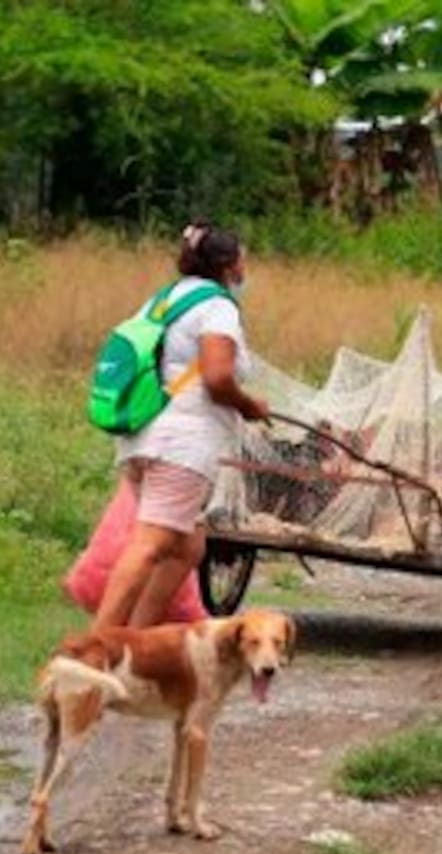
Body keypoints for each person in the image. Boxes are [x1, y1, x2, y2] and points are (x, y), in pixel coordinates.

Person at [93, 222, 270, 629]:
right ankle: (96, 650)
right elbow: (217, 376)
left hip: (142, 436)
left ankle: (135, 644)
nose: (247, 267)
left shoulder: (165, 299)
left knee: (188, 547)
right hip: (182, 444)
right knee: (151, 545)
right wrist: (248, 406)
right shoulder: (218, 307)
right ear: (229, 265)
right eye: (243, 258)